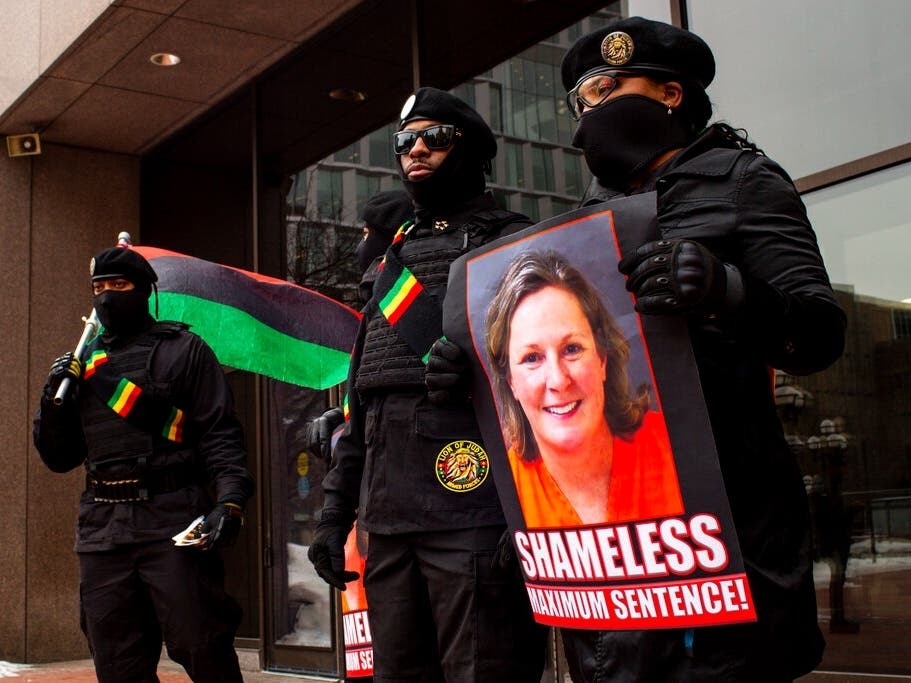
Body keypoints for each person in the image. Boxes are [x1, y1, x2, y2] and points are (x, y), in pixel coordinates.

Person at [557, 15, 847, 682]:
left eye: (606, 88)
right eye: (581, 101)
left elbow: (817, 333)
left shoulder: (742, 180)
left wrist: (729, 290)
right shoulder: (578, 221)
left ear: (668, 93)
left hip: (728, 523)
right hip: (618, 533)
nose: (590, 111)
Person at [309, 87, 548, 682]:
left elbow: (552, 390)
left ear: (469, 149)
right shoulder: (391, 258)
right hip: (388, 520)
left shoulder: (515, 242)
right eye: (405, 140)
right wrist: (335, 517)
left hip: (474, 511)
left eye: (434, 137)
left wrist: (526, 520)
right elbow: (362, 404)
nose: (416, 149)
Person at [33, 245, 255, 683]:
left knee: (201, 644)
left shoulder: (185, 349)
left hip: (173, 519)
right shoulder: (83, 366)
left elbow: (220, 434)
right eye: (99, 287)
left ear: (146, 291)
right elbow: (59, 459)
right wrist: (53, 403)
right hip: (103, 530)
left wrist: (230, 501)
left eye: (119, 286)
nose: (107, 296)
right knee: (117, 663)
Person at [484, 249, 682, 529]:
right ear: (511, 382)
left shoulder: (676, 449)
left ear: (602, 358)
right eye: (532, 358)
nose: (558, 380)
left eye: (572, 349)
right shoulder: (505, 487)